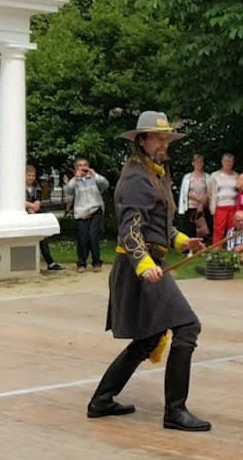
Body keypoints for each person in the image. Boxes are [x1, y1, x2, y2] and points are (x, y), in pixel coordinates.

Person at [85, 111, 211, 432]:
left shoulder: (156, 172)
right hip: (137, 268)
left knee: (148, 339)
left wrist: (182, 241)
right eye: (158, 138)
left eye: (167, 138)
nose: (164, 143)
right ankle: (175, 411)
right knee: (187, 326)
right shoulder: (136, 177)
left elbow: (159, 224)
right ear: (141, 140)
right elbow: (130, 230)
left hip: (149, 265)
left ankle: (102, 400)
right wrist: (144, 265)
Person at [63, 157, 109, 273]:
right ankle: (81, 263)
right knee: (83, 238)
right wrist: (75, 178)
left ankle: (96, 262)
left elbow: (105, 184)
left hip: (95, 209)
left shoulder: (93, 178)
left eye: (85, 165)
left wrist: (95, 175)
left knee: (93, 236)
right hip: (81, 212)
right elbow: (67, 190)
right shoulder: (75, 181)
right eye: (80, 165)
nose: (83, 167)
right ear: (76, 168)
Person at [25, 164, 62, 271]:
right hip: (25, 215)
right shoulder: (19, 189)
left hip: (35, 214)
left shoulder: (35, 187)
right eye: (29, 175)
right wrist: (30, 206)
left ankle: (50, 262)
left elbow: (38, 199)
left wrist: (35, 205)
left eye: (33, 175)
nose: (31, 178)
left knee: (43, 238)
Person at [178, 153, 214, 242]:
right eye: (197, 162)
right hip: (190, 206)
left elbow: (210, 191)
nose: (199, 164)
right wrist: (197, 198)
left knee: (204, 229)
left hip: (203, 207)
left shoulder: (207, 177)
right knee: (190, 229)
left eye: (201, 162)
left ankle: (203, 245)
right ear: (193, 163)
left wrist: (201, 203)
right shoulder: (187, 177)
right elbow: (185, 191)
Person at [208, 153, 238, 247]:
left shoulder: (236, 176)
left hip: (233, 206)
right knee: (218, 229)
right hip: (220, 206)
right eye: (226, 161)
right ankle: (217, 250)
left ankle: (232, 249)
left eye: (230, 162)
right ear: (222, 162)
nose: (228, 163)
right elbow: (210, 192)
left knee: (233, 229)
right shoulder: (214, 176)